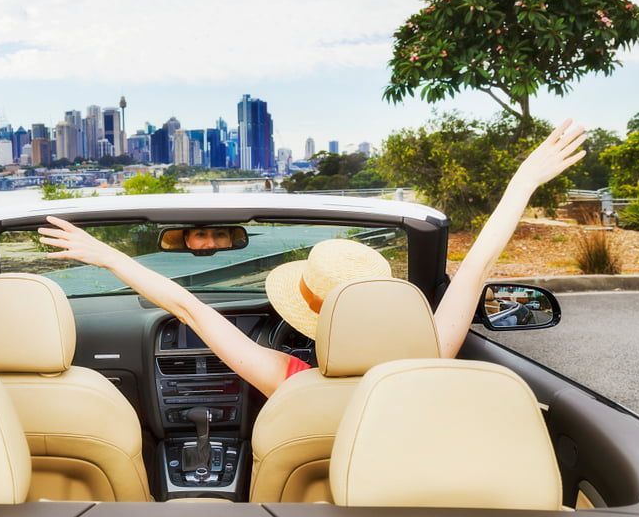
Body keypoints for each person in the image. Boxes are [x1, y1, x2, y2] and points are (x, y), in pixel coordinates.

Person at [39, 120, 587, 397]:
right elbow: (476, 269)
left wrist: (105, 254)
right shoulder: (431, 358)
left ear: (312, 320)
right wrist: (524, 179)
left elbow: (188, 309)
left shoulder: (291, 379)